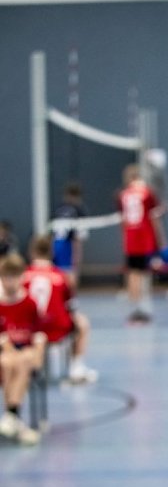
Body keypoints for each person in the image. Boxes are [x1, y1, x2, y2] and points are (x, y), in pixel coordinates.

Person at [24, 235, 97, 384]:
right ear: (51, 252)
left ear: (32, 252)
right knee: (82, 323)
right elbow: (71, 305)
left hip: (28, 329)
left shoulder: (23, 276)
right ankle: (76, 367)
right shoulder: (61, 276)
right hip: (56, 328)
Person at [0, 253, 46, 445]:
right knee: (8, 362)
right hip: (5, 353)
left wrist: (38, 353)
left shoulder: (29, 303)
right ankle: (14, 417)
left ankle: (11, 417)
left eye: (15, 277)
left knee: (25, 360)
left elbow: (38, 334)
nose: (10, 282)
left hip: (24, 352)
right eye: (6, 277)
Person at [118, 163, 164, 324]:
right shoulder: (147, 193)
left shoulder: (123, 194)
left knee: (132, 273)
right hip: (145, 239)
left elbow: (123, 220)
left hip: (130, 240)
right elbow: (154, 218)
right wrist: (160, 241)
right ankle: (143, 306)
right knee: (145, 273)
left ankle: (134, 307)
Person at [51, 182, 88, 290]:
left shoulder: (58, 208)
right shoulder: (79, 210)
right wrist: (77, 256)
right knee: (71, 272)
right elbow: (78, 237)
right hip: (68, 244)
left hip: (56, 243)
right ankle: (71, 300)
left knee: (57, 273)